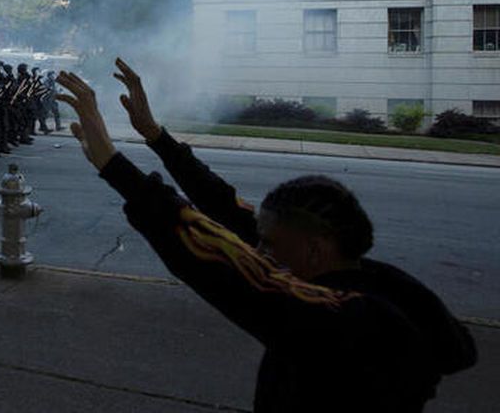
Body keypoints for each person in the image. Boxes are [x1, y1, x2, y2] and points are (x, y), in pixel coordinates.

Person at [55, 58, 477, 412]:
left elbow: (233, 276)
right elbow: (225, 209)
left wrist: (114, 165)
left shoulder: (361, 323)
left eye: (269, 246)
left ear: (314, 249)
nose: (255, 251)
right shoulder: (349, 279)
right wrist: (155, 135)